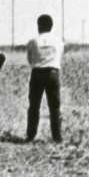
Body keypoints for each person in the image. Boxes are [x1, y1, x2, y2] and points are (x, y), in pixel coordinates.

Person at [25, 15, 63, 143]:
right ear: (51, 26)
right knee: (55, 106)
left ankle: (30, 135)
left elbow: (30, 59)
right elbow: (59, 56)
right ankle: (57, 136)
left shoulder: (33, 41)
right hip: (53, 73)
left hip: (37, 73)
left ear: (38, 26)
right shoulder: (58, 40)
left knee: (34, 105)